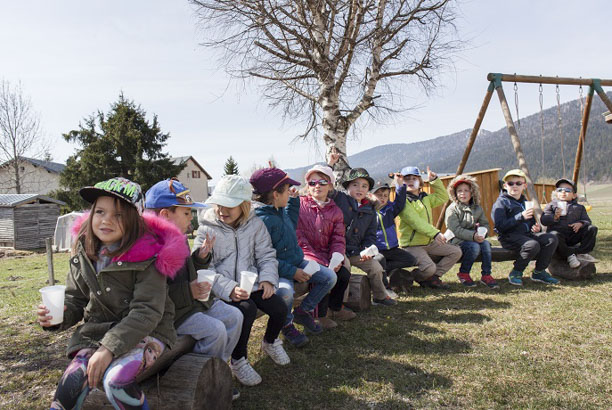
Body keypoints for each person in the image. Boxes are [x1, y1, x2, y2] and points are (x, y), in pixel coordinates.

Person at [37, 177, 187, 410]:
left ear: (134, 220)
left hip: (147, 331)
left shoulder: (149, 256)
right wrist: (59, 314)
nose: (106, 220)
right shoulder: (85, 250)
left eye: (118, 215)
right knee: (71, 385)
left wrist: (108, 349)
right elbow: (76, 297)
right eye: (100, 212)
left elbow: (147, 311)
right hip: (98, 331)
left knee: (115, 381)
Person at [194, 175, 289, 387]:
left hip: (251, 283)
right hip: (222, 289)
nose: (222, 210)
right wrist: (229, 289)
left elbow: (266, 255)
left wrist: (267, 279)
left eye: (229, 205)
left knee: (279, 306)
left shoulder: (255, 225)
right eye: (219, 204)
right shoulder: (207, 228)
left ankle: (270, 341)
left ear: (244, 205)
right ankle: (238, 359)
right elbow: (204, 269)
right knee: (246, 309)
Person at [144, 178, 243, 366]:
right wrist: (188, 291)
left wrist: (200, 257)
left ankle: (218, 369)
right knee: (216, 331)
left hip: (193, 304)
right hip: (174, 314)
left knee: (235, 316)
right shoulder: (149, 248)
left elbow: (187, 271)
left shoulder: (178, 237)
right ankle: (196, 377)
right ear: (165, 214)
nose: (191, 217)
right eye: (187, 212)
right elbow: (152, 296)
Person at [250, 167, 337, 347]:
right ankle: (287, 324)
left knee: (329, 277)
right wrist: (293, 272)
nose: (290, 192)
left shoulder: (278, 210)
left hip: (297, 261)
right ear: (275, 194)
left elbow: (291, 221)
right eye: (287, 189)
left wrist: (294, 201)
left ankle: (303, 310)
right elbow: (263, 258)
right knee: (285, 293)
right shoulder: (261, 221)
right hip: (278, 271)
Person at [328, 155, 397, 306]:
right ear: (347, 187)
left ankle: (380, 296)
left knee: (376, 267)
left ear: (368, 190)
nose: (360, 189)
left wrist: (367, 250)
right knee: (344, 269)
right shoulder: (340, 198)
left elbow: (370, 236)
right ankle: (341, 304)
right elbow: (327, 185)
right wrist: (330, 165)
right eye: (355, 185)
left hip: (356, 251)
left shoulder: (370, 210)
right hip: (337, 250)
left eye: (364, 186)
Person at [296, 164, 353, 329]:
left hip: (326, 254)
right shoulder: (300, 205)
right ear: (307, 186)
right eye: (312, 183)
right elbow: (297, 235)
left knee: (343, 275)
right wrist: (315, 258)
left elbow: (338, 238)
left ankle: (333, 308)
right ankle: (317, 315)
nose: (317, 186)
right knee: (319, 273)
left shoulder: (335, 211)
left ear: (330, 185)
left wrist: (336, 256)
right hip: (304, 255)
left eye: (322, 182)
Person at [491, 169, 559, 285]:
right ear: (505, 186)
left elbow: (531, 221)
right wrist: (520, 216)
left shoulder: (524, 201)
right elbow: (500, 226)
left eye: (518, 183)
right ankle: (516, 272)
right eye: (510, 183)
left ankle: (539, 272)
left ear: (524, 186)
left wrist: (536, 228)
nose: (514, 186)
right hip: (508, 237)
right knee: (532, 244)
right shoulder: (501, 203)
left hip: (526, 235)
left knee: (551, 239)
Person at [398, 166, 462, 289]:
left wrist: (435, 181)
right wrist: (435, 233)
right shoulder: (403, 201)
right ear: (402, 182)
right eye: (407, 179)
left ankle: (433, 277)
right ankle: (411, 277)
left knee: (455, 251)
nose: (411, 181)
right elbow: (415, 222)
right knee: (429, 268)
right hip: (412, 245)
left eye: (414, 178)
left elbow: (443, 197)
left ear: (420, 181)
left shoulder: (425, 198)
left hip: (429, 242)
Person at [444, 175, 498, 289]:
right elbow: (455, 229)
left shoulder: (477, 208)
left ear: (472, 192)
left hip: (474, 238)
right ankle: (464, 273)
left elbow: (485, 224)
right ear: (455, 193)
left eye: (466, 190)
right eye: (459, 191)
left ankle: (486, 275)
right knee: (474, 247)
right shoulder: (452, 209)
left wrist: (483, 233)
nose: (462, 193)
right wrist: (473, 236)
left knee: (486, 245)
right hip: (457, 240)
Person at [369, 177, 417, 293]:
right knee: (380, 260)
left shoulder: (390, 209)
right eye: (379, 194)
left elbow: (400, 203)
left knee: (411, 260)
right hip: (377, 250)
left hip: (393, 248)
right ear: (371, 195)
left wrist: (400, 186)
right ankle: (385, 287)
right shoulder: (368, 212)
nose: (383, 198)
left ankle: (385, 269)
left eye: (385, 195)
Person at [540, 178, 598, 268]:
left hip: (573, 234)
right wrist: (554, 217)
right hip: (558, 237)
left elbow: (587, 221)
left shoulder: (579, 207)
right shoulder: (551, 205)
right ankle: (570, 255)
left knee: (592, 229)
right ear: (556, 193)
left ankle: (581, 252)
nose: (563, 192)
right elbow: (544, 220)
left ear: (574, 195)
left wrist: (581, 223)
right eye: (560, 190)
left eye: (567, 190)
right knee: (554, 234)